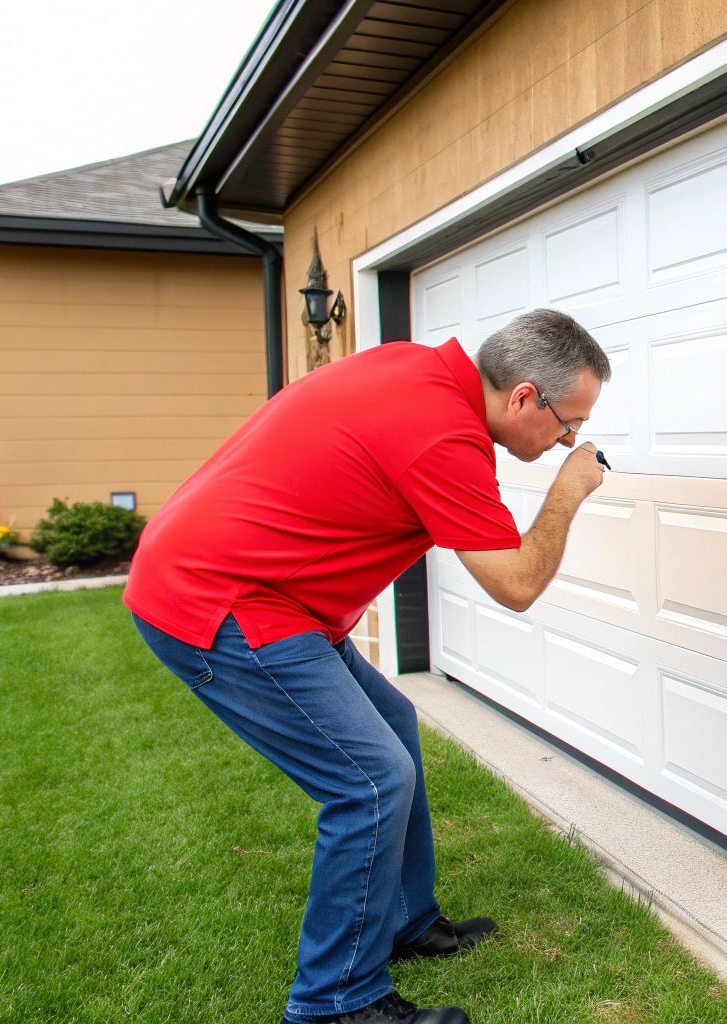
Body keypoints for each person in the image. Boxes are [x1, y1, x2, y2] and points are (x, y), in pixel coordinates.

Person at [124, 308, 612, 1024]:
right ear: (524, 398)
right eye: (568, 422)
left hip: (268, 590)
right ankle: (335, 1003)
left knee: (395, 724)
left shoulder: (416, 371)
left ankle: (404, 921)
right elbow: (516, 582)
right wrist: (569, 489)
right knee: (370, 782)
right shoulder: (444, 435)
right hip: (224, 601)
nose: (569, 438)